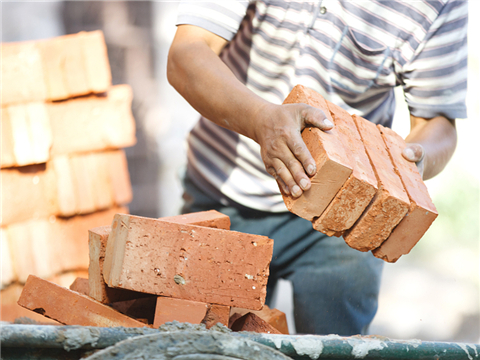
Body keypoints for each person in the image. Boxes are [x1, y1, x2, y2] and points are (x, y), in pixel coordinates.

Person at [167, 0, 467, 335]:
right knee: (207, 346)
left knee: (333, 348)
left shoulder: (441, 5)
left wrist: (408, 166)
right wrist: (259, 120)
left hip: (343, 225)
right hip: (221, 191)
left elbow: (437, 121)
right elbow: (186, 54)